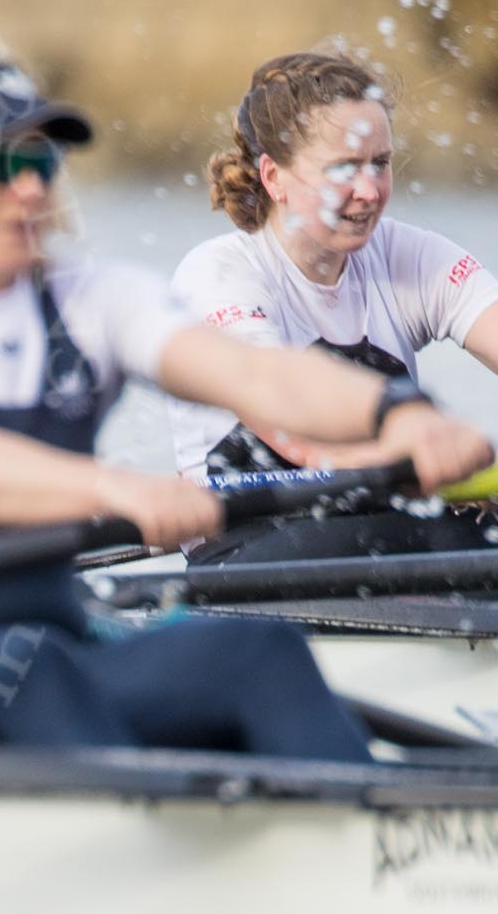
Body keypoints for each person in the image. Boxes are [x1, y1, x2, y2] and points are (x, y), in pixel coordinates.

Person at [0, 50, 492, 760]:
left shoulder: (86, 297)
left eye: (44, 163)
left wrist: (400, 415)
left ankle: (368, 847)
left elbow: (259, 376)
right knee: (26, 671)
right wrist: (118, 488)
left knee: (256, 653)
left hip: (52, 642)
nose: (29, 190)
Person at [169, 50, 498, 563]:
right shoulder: (218, 275)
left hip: (390, 524)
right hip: (252, 542)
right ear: (274, 176)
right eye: (344, 168)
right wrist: (420, 455)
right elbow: (292, 424)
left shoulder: (409, 254)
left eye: (380, 165)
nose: (369, 192)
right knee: (452, 542)